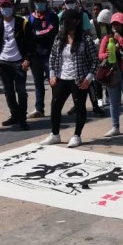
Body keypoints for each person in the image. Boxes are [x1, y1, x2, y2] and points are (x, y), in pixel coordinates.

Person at [40, 8, 98, 148]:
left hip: (79, 79)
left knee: (79, 107)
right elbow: (53, 57)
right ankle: (55, 134)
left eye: (69, 21)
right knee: (55, 105)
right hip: (61, 77)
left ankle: (77, 135)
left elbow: (95, 61)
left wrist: (89, 78)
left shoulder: (86, 39)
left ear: (77, 22)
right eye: (64, 21)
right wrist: (52, 75)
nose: (66, 23)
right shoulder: (59, 37)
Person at [0, 0, 35, 130]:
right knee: (8, 91)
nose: (6, 8)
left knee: (21, 91)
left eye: (8, 6)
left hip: (19, 62)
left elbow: (30, 44)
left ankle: (22, 118)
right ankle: (14, 114)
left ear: (13, 7)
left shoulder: (23, 23)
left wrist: (27, 59)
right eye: (3, 6)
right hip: (4, 62)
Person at [27, 0, 59, 118]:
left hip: (49, 54)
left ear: (46, 2)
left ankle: (56, 107)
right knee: (38, 83)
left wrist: (36, 33)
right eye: (37, 1)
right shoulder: (30, 18)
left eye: (41, 0)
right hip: (35, 55)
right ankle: (39, 108)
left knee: (54, 82)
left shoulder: (52, 16)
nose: (39, 3)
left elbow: (51, 31)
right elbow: (29, 35)